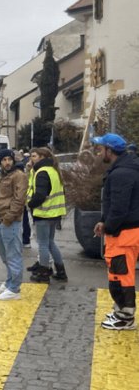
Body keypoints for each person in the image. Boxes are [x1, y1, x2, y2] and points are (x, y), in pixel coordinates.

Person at [91, 133, 139, 330]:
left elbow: (119, 208)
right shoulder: (126, 169)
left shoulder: (121, 174)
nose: (98, 151)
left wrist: (108, 226)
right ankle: (122, 310)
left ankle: (125, 317)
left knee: (121, 276)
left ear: (110, 151)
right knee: (120, 274)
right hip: (126, 231)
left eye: (101, 148)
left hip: (123, 235)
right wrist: (104, 221)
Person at [0, 149, 28, 300]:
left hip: (9, 221)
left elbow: (19, 200)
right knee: (5, 256)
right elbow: (0, 196)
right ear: (0, 161)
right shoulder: (1, 175)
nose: (7, 162)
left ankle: (14, 289)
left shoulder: (19, 176)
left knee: (13, 255)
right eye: (4, 159)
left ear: (13, 160)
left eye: (9, 159)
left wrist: (9, 217)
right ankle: (9, 282)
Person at [25, 147, 68, 282]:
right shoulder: (53, 170)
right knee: (50, 243)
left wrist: (30, 204)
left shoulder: (42, 172)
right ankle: (60, 271)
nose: (32, 158)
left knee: (43, 244)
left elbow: (40, 195)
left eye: (34, 156)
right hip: (54, 213)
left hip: (44, 213)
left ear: (42, 157)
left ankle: (44, 273)